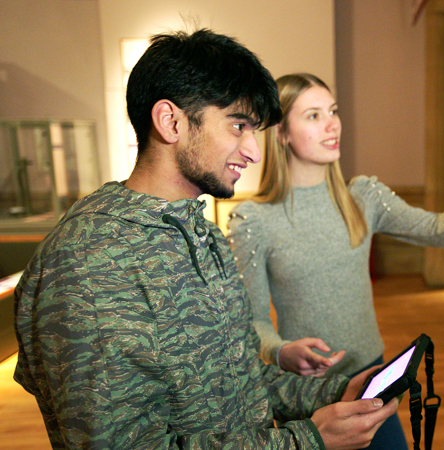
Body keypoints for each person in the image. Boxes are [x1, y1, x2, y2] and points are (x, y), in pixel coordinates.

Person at [13, 29, 397, 449]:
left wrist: (333, 392)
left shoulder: (203, 235)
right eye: (238, 126)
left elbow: (241, 378)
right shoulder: (88, 265)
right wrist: (307, 441)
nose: (252, 151)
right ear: (170, 121)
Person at [226, 72, 444, 448]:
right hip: (304, 395)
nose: (333, 123)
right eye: (313, 115)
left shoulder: (363, 196)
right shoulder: (254, 221)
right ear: (281, 133)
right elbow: (252, 321)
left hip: (373, 378)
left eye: (333, 111)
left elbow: (439, 230)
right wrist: (280, 351)